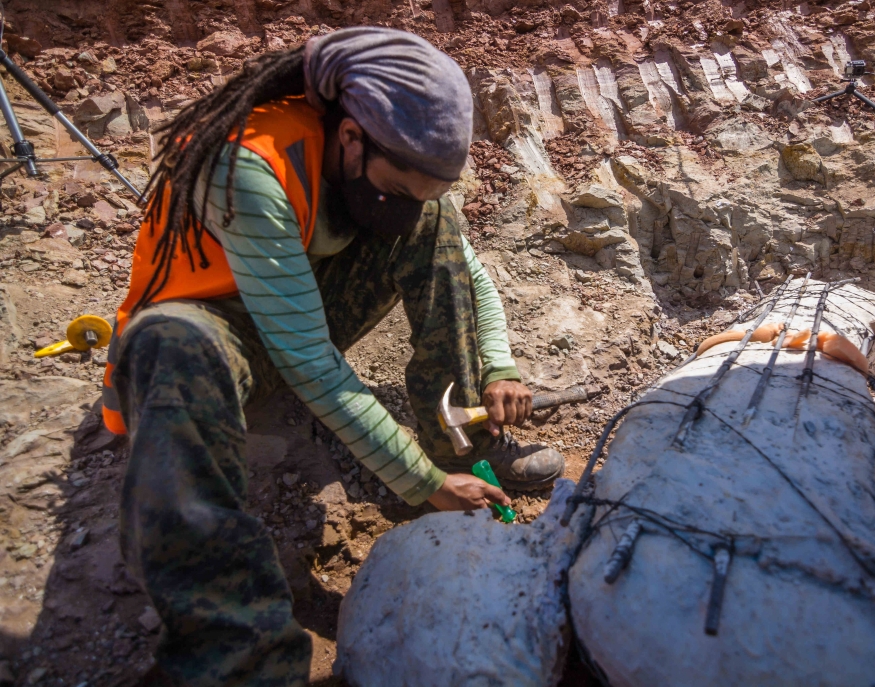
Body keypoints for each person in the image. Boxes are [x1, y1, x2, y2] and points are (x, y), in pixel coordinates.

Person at [102, 28, 564, 685]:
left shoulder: (388, 159)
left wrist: (498, 365)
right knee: (172, 346)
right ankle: (239, 659)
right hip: (214, 333)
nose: (406, 211)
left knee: (436, 227)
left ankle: (460, 448)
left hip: (294, 309)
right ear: (350, 139)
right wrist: (421, 486)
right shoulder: (247, 162)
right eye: (400, 190)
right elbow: (306, 357)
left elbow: (466, 271)